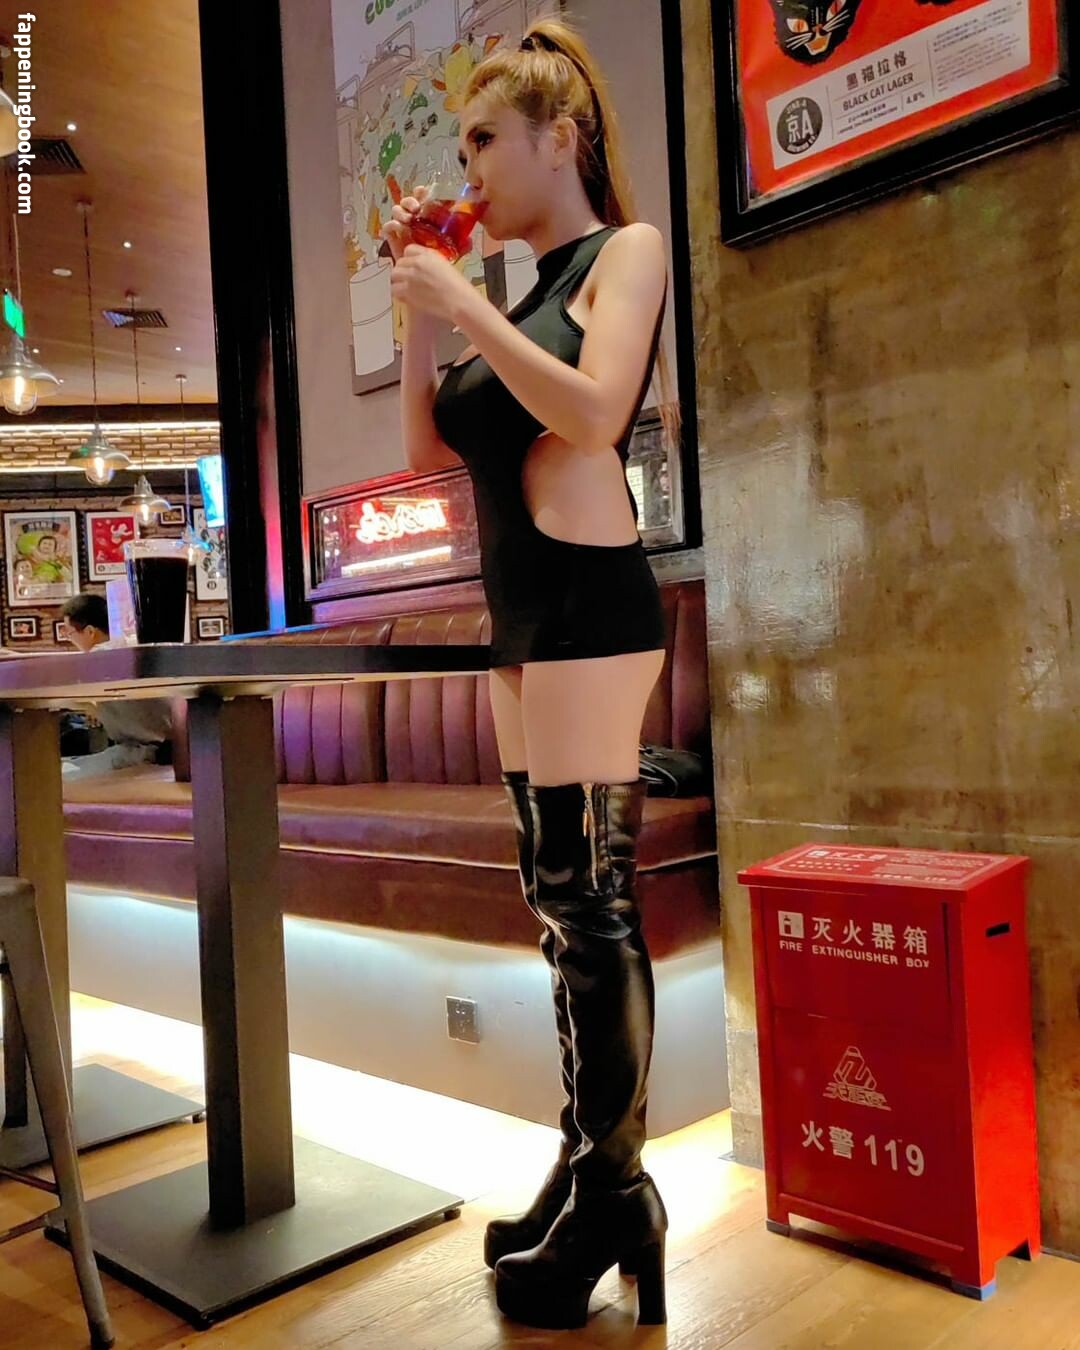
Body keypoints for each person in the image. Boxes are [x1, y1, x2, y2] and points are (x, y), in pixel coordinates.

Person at [383, 19, 669, 1331]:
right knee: (561, 904)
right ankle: (587, 1166)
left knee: (591, 904)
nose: (472, 166)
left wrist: (469, 306)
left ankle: (617, 1193)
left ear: (563, 138)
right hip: (524, 620)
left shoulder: (625, 253)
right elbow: (429, 450)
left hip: (591, 614)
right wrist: (421, 305)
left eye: (486, 138)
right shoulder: (517, 290)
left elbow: (597, 412)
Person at [58, 593, 172, 778]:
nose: (70, 640)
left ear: (90, 632)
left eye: (70, 633)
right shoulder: (130, 649)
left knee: (58, 776)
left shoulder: (101, 658)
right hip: (156, 751)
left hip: (142, 755)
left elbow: (64, 678)